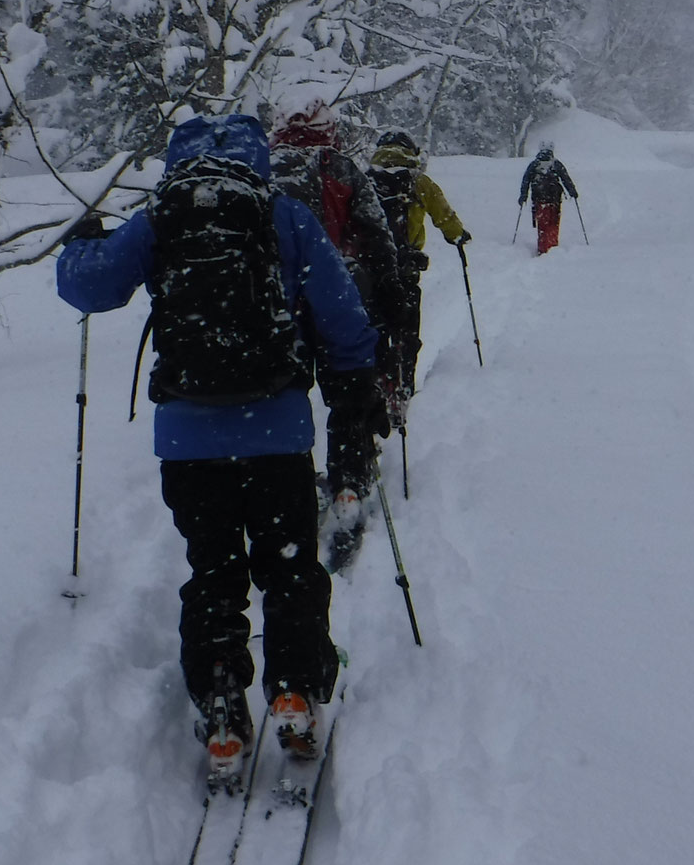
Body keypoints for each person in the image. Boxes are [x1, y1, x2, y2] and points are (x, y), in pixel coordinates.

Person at [56, 113, 390, 784]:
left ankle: (218, 703)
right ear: (257, 158)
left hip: (188, 441)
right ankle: (294, 690)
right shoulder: (284, 216)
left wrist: (81, 242)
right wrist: (353, 385)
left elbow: (85, 288)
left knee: (213, 570)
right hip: (278, 433)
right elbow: (344, 314)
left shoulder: (161, 219)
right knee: (290, 566)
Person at [267, 102, 406, 544]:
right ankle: (348, 482)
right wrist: (391, 295)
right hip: (343, 300)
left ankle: (289, 481)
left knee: (286, 394)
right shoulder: (343, 169)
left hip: (281, 309)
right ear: (330, 131)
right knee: (348, 398)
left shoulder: (262, 174)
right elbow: (377, 237)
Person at [367, 129, 470, 414]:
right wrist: (458, 236)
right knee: (406, 329)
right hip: (406, 268)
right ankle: (403, 386)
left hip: (371, 270)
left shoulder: (364, 179)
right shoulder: (418, 181)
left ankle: (376, 382)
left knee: (376, 327)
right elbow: (444, 215)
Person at [518, 141, 579, 255]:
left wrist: (523, 196)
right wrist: (572, 192)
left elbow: (526, 180)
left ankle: (542, 247)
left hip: (538, 199)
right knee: (553, 224)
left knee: (542, 224)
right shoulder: (556, 164)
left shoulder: (534, 165)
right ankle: (552, 246)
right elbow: (565, 178)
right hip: (554, 200)